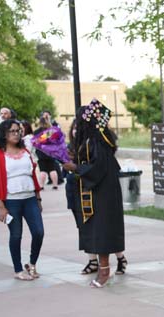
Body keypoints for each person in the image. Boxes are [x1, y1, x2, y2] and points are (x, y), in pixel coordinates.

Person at [62, 98, 125, 288]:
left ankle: (104, 272)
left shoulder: (96, 142)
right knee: (98, 230)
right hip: (102, 192)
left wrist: (75, 167)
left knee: (102, 231)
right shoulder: (95, 141)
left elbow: (97, 169)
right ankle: (103, 269)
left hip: (102, 195)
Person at [0, 119, 44, 280]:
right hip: (11, 201)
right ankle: (18, 270)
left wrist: (38, 198)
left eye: (18, 130)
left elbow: (33, 174)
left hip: (30, 199)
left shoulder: (25, 152)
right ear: (4, 134)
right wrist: (0, 205)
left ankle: (32, 264)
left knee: (39, 232)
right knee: (16, 235)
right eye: (12, 131)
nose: (16, 133)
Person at [33, 117, 60, 190]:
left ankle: (41, 186)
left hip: (41, 152)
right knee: (52, 169)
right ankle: (55, 185)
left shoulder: (36, 132)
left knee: (42, 170)